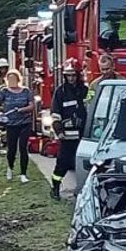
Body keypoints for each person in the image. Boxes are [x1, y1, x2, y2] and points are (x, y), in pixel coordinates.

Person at [49, 60, 88, 200]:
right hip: (67, 136)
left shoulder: (86, 90)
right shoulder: (61, 92)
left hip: (84, 135)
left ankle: (84, 190)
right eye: (68, 75)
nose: (71, 78)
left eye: (73, 75)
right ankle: (55, 187)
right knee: (63, 163)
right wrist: (59, 131)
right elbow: (55, 114)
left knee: (85, 164)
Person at [0, 69, 34, 183]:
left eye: (14, 79)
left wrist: (22, 110)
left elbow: (32, 106)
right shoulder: (4, 91)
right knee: (11, 148)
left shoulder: (26, 91)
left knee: (23, 147)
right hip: (11, 124)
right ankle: (10, 168)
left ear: (18, 80)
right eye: (9, 79)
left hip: (25, 123)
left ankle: (23, 174)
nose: (11, 81)